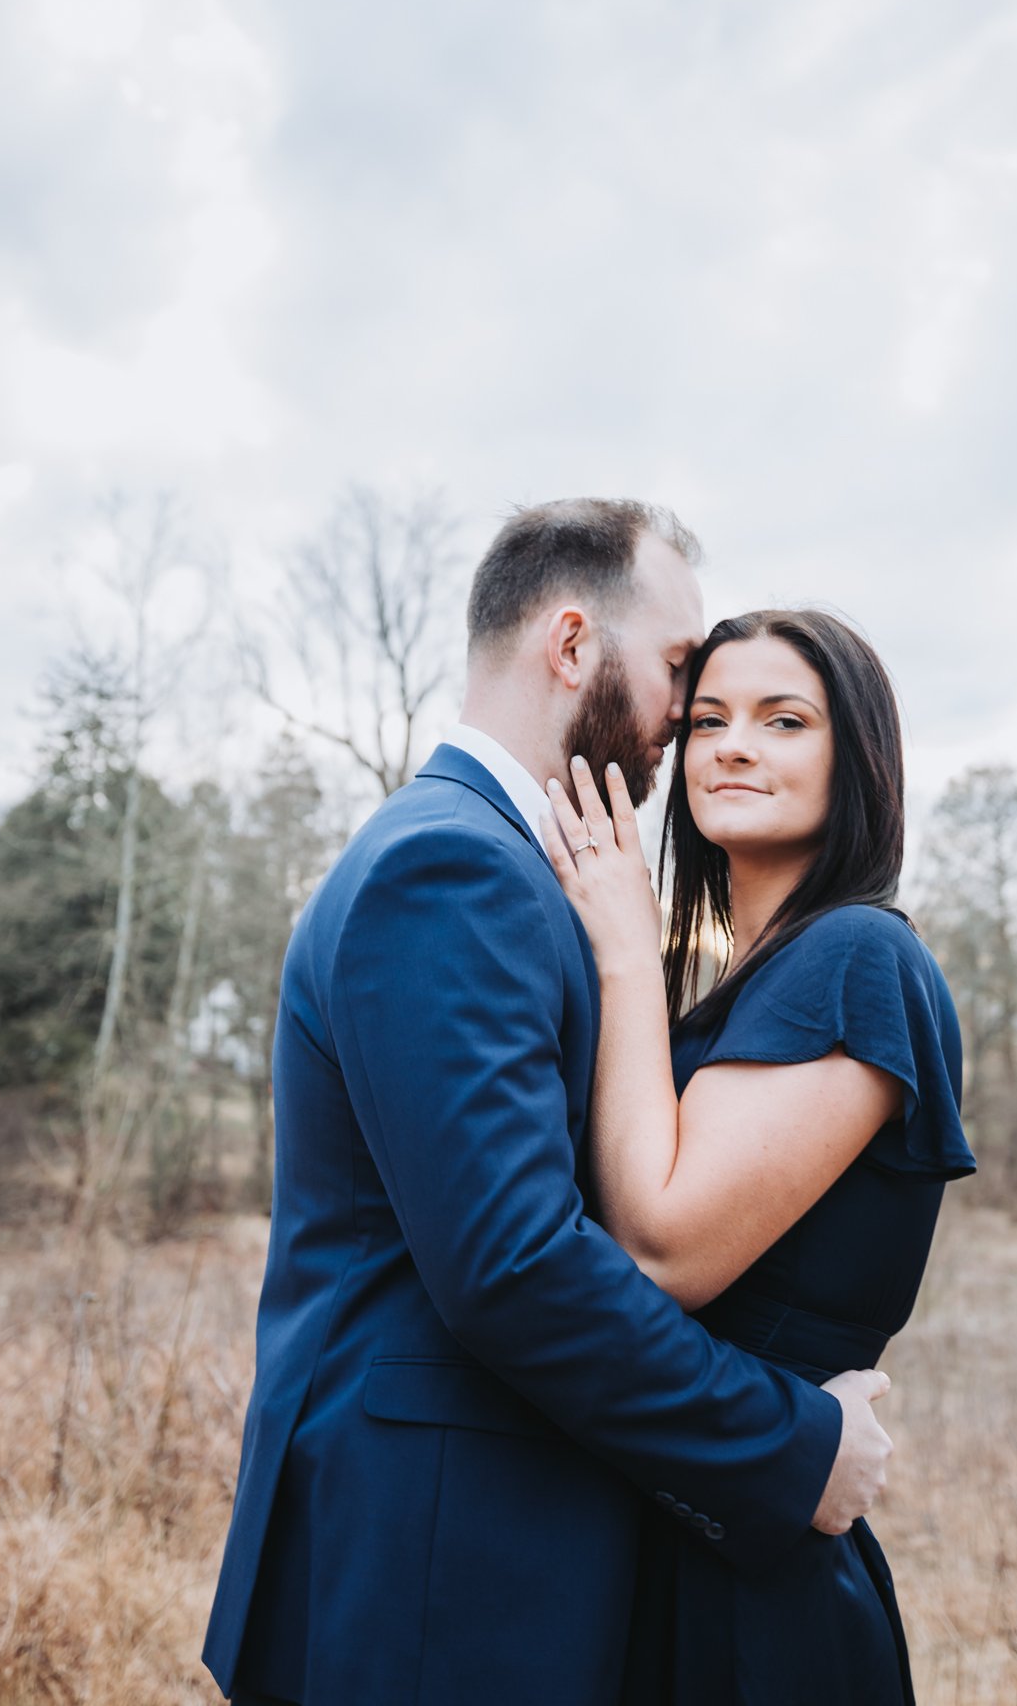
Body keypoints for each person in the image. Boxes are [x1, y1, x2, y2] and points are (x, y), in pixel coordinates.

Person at [202, 503, 894, 1706]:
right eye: (682, 668)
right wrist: (788, 1443)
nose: (689, 710)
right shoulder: (451, 865)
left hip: (474, 1548)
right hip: (433, 1563)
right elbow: (512, 1260)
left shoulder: (519, 868)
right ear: (573, 645)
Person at [541, 607, 976, 1705]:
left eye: (784, 719)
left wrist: (629, 955)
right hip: (673, 1536)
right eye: (707, 719)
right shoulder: (749, 983)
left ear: (858, 758)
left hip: (751, 1595)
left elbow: (665, 1249)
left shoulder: (857, 956)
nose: (731, 744)